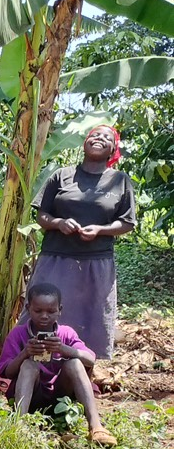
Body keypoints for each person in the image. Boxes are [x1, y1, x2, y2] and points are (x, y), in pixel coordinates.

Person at [28, 125, 136, 358]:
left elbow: (127, 222)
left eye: (106, 138)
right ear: (84, 144)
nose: (99, 139)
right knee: (45, 309)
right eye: (94, 135)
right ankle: (39, 363)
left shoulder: (119, 180)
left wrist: (101, 230)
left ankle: (83, 368)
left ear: (112, 151)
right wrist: (58, 223)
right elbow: (42, 215)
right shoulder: (61, 175)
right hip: (56, 256)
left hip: (96, 261)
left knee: (92, 316)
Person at [0, 283, 114, 446]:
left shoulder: (66, 333)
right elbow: (7, 373)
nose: (44, 316)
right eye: (38, 311)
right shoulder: (18, 334)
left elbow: (90, 359)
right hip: (32, 399)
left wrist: (64, 349)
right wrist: (25, 353)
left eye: (51, 311)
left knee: (74, 363)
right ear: (28, 308)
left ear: (60, 310)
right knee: (29, 366)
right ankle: (18, 426)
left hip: (61, 398)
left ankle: (96, 426)